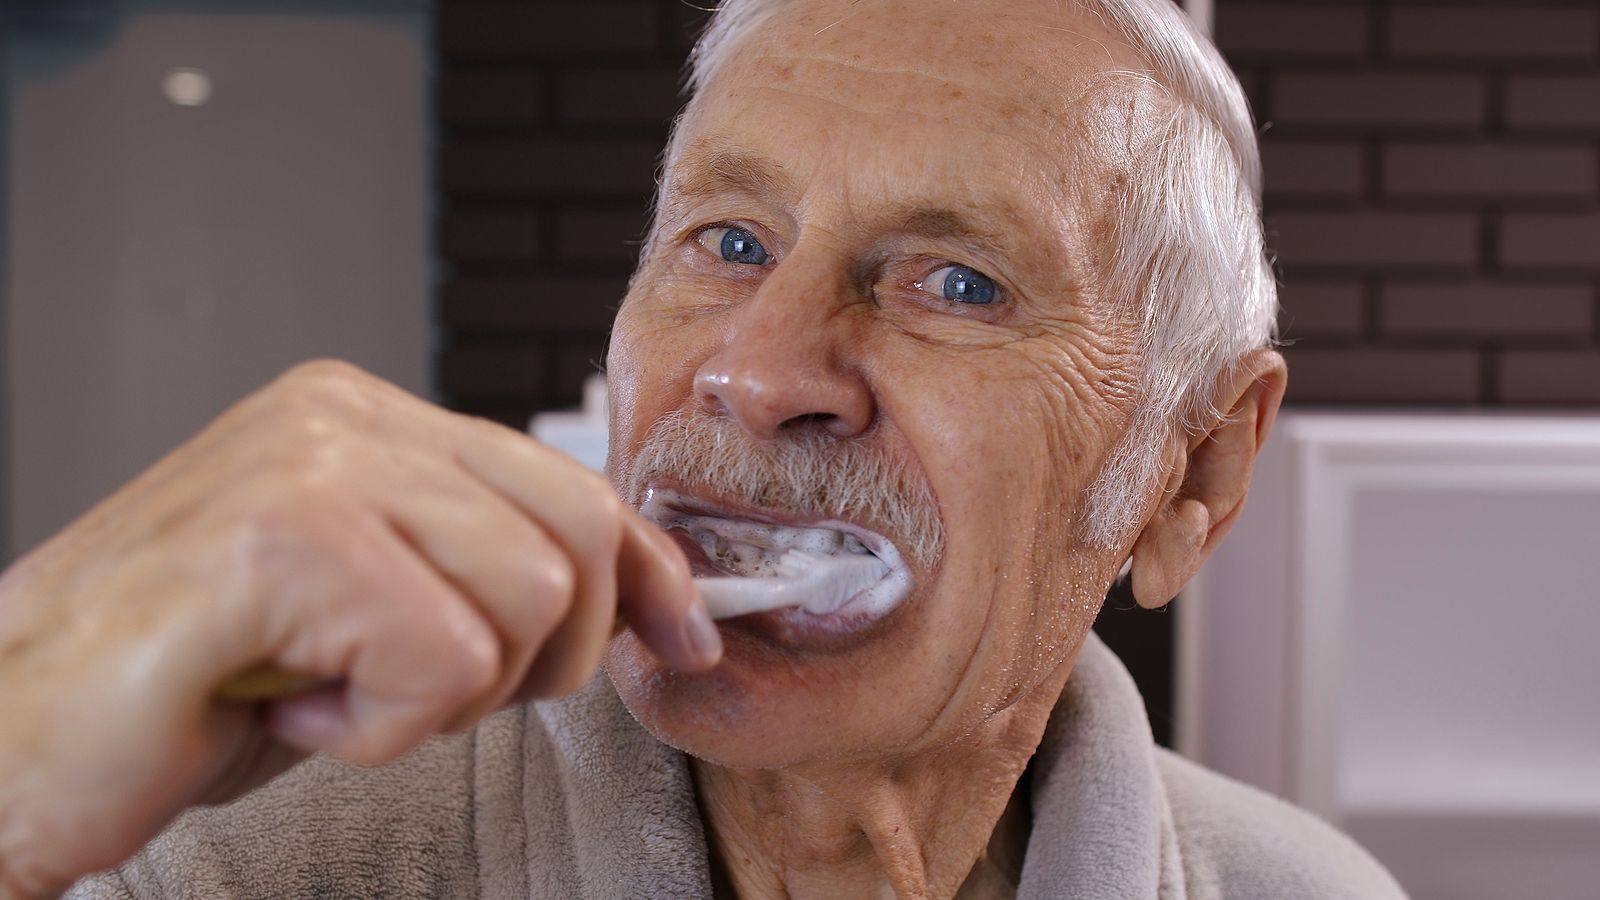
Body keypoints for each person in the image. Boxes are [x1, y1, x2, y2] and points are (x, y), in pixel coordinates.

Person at [0, 0, 1408, 897]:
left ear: (1193, 481)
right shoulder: (226, 857)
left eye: (958, 283)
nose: (755, 370)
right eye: (727, 242)